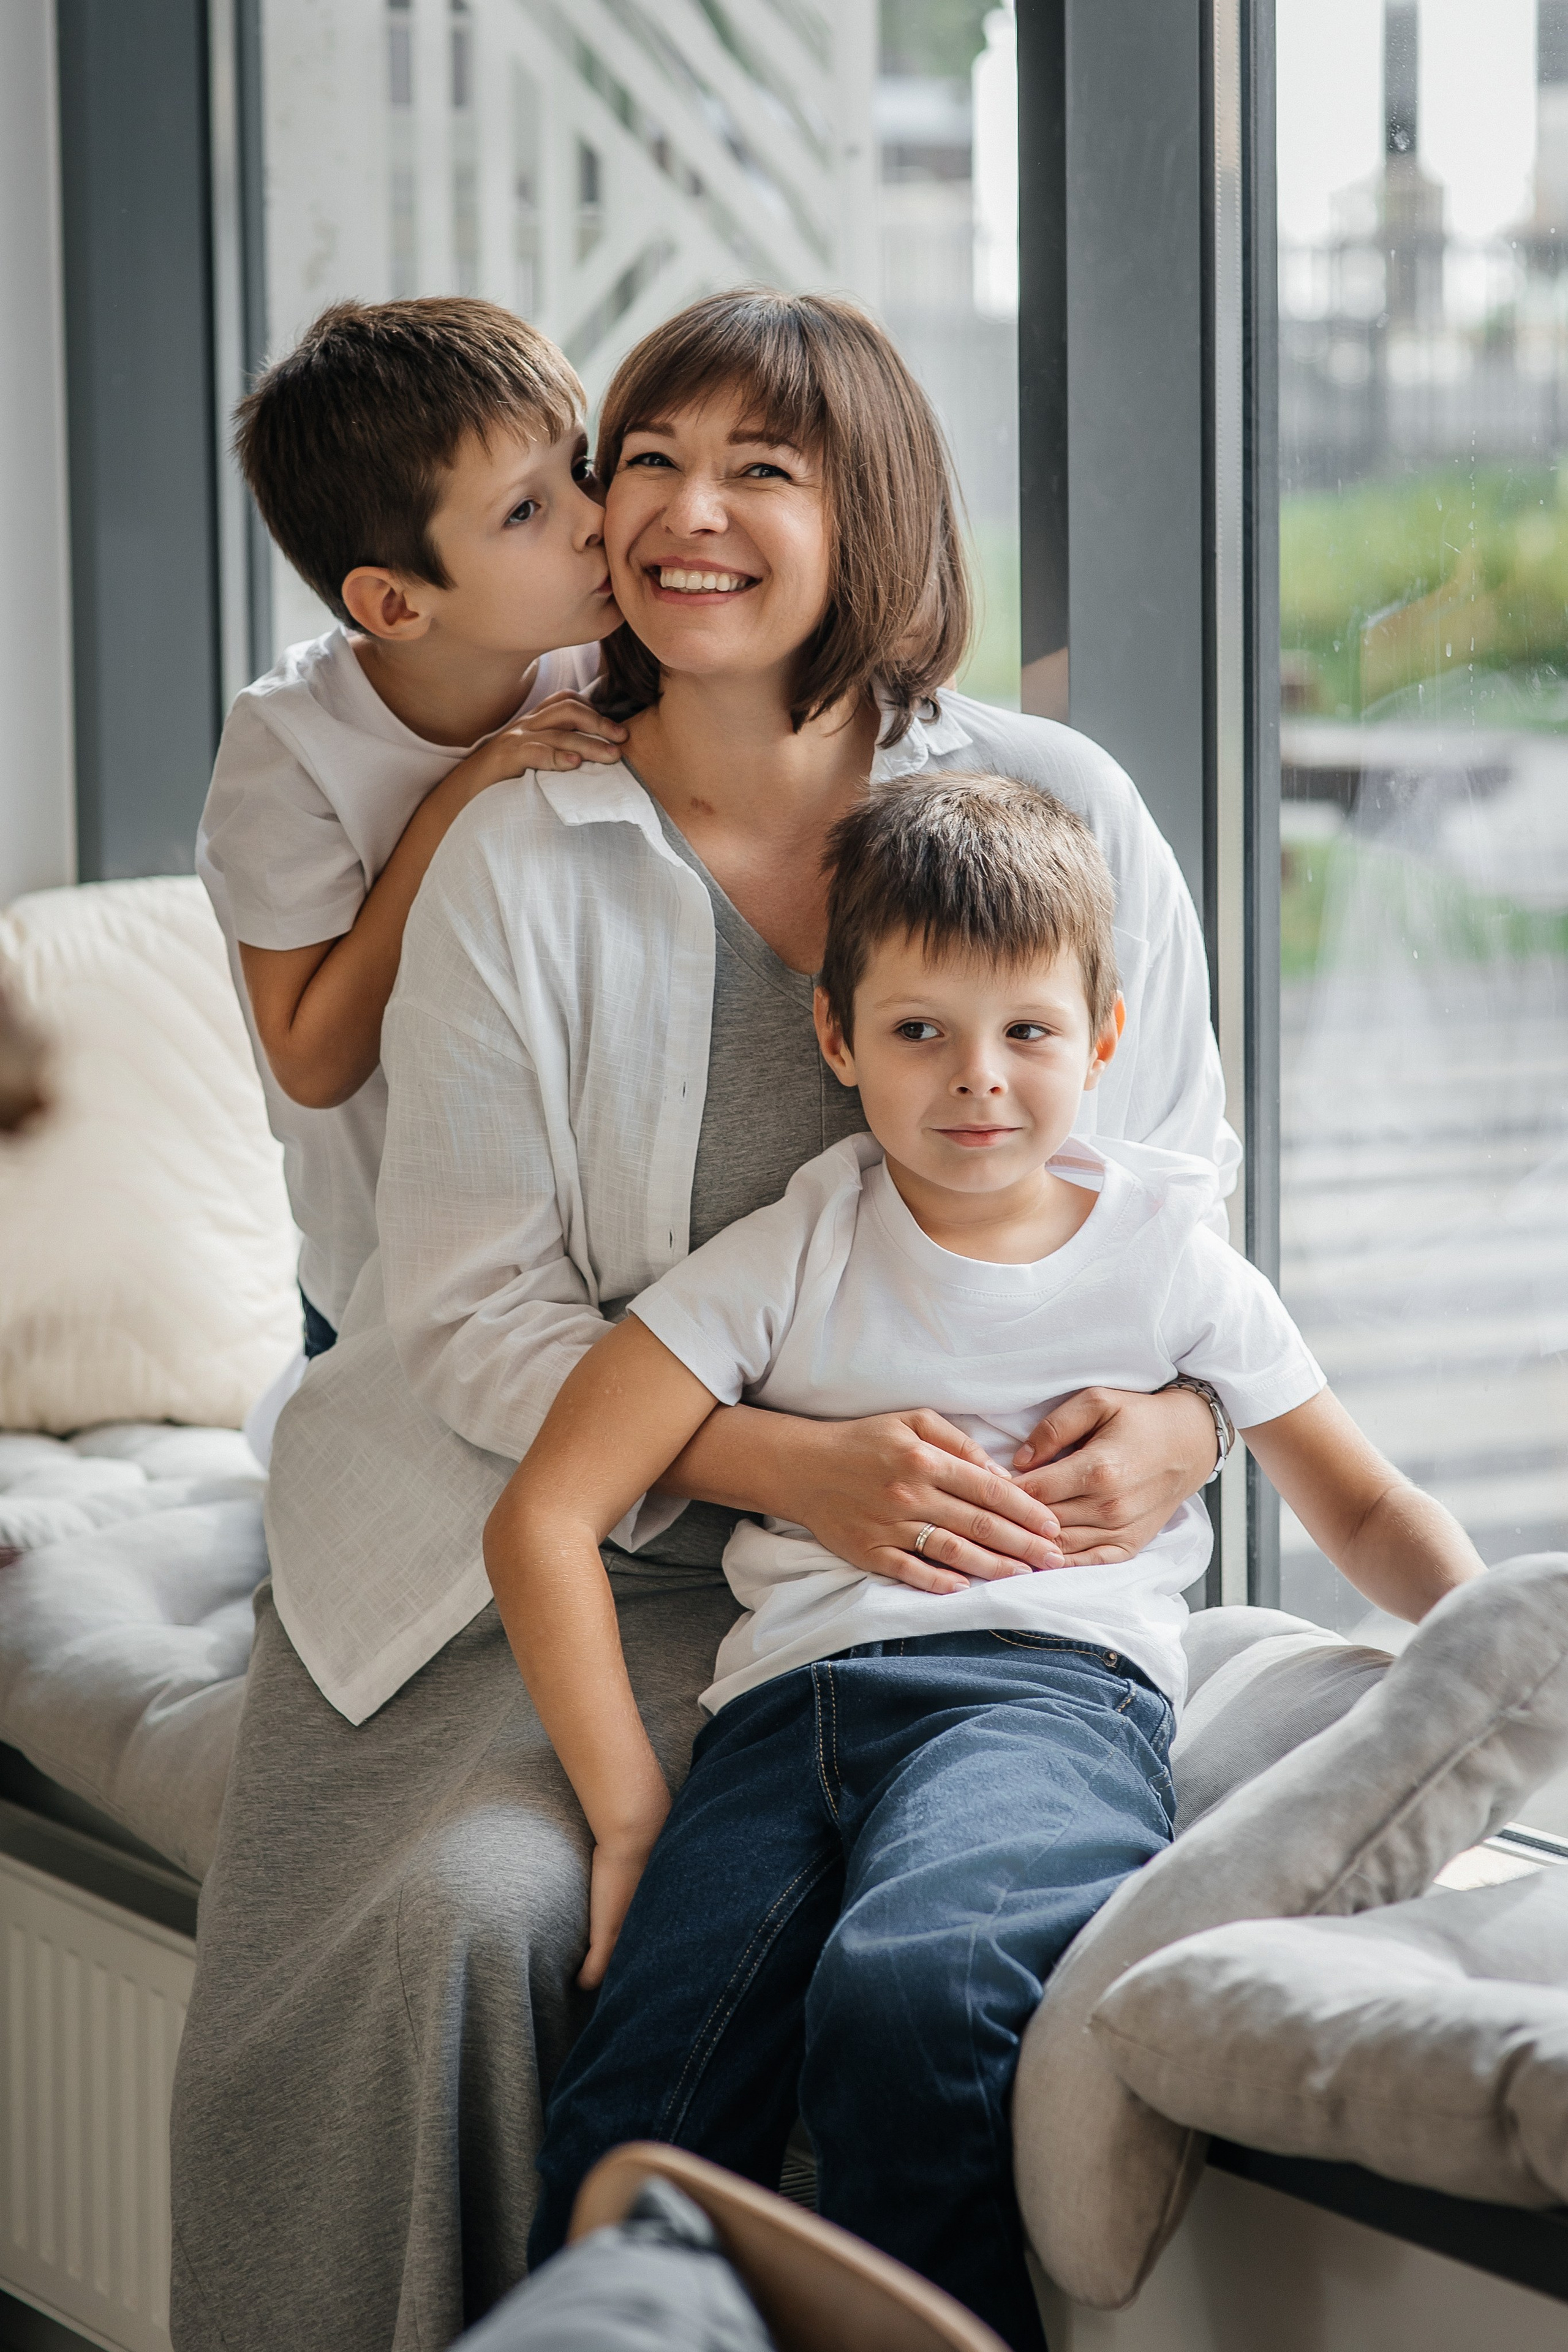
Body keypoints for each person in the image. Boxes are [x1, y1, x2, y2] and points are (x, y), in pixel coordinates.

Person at [172, 291, 1245, 2352]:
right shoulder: (519, 833)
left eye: (766, 469)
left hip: (932, 1582)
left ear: (879, 514)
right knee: (475, 1931)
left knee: (902, 1967)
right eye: (644, 459)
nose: (682, 514)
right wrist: (785, 1463)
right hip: (541, 1530)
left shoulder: (1062, 808)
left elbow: (1176, 1203)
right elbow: (474, 1322)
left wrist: (1188, 1426)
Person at [486, 776, 1482, 2350]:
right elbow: (543, 1511)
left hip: (1041, 1704)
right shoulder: (792, 1248)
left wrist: (1487, 1636)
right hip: (779, 1726)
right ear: (836, 1039)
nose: (977, 1083)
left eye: (1025, 1033)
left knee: (917, 1995)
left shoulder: (1169, 1265)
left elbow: (1357, 1511)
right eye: (917, 1033)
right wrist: (625, 1819)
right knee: (641, 2080)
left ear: (1100, 1038)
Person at [196, 296, 626, 1358]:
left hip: (580, 1262)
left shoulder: (610, 659)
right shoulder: (290, 747)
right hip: (380, 1281)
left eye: (580, 468)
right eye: (523, 512)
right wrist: (458, 803)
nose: (592, 518)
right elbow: (311, 1060)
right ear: (394, 605)